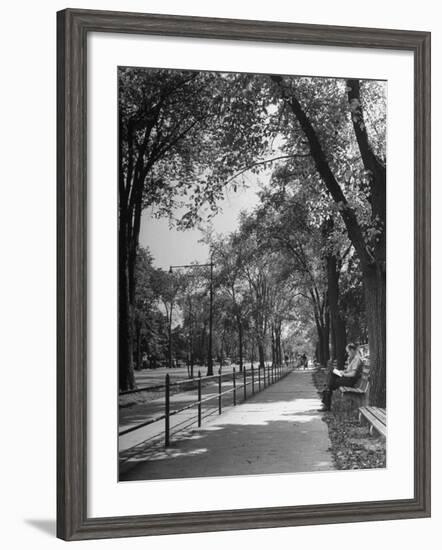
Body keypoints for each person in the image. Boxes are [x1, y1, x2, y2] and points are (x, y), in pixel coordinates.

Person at [318, 343, 364, 412]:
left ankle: (326, 399)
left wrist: (343, 374)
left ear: (352, 350)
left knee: (330, 384)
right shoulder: (353, 359)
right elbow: (348, 371)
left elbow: (353, 374)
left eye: (348, 352)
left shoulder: (357, 359)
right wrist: (342, 371)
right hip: (347, 379)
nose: (348, 353)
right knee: (332, 374)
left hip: (350, 381)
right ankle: (326, 392)